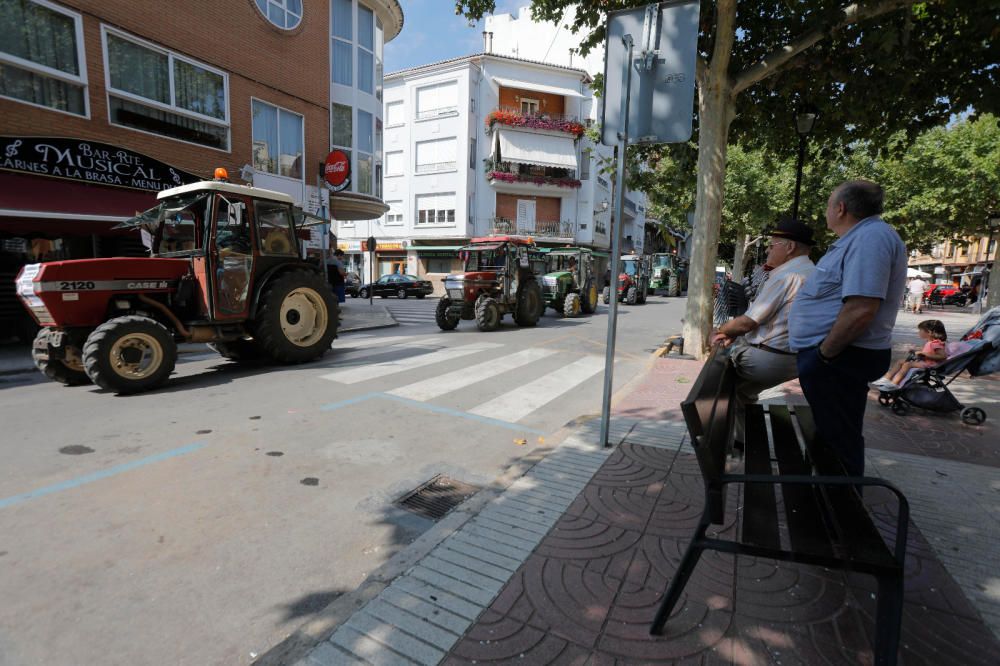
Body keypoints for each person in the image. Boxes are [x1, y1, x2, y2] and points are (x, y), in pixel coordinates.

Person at [788, 180, 907, 476]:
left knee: (838, 438)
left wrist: (824, 355)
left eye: (829, 205)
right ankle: (833, 499)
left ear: (840, 208)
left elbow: (861, 309)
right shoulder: (861, 238)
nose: (826, 211)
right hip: (839, 357)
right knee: (835, 432)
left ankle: (838, 511)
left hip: (842, 357)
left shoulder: (870, 238)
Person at [711, 219, 816, 444]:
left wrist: (722, 330)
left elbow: (749, 322)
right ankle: (742, 440)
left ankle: (729, 445)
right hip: (794, 357)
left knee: (720, 390)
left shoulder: (787, 275)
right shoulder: (812, 271)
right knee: (740, 393)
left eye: (772, 245)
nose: (768, 250)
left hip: (769, 357)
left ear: (790, 248)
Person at [871, 319, 948, 390]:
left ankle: (894, 383)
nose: (919, 332)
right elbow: (929, 353)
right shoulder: (931, 342)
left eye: (920, 330)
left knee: (908, 364)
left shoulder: (936, 343)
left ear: (929, 332)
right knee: (900, 361)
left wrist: (924, 354)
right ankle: (886, 379)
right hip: (925, 362)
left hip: (930, 365)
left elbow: (942, 356)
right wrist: (917, 352)